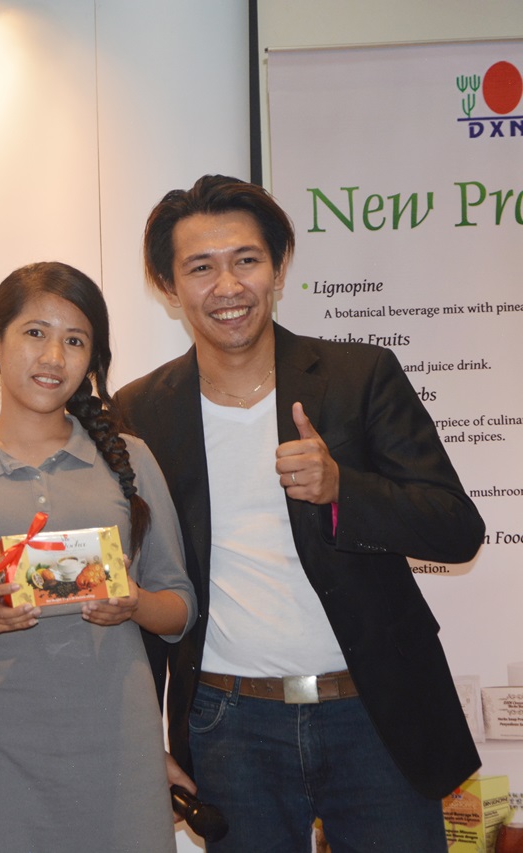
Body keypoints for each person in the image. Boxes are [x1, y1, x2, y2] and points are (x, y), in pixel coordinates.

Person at [114, 174, 484, 852]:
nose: (228, 285)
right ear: (169, 286)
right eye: (201, 267)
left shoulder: (358, 377)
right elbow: (139, 581)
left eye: (246, 260)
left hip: (374, 714)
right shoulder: (141, 410)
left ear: (279, 267)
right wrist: (141, 735)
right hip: (227, 724)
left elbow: (456, 527)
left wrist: (344, 488)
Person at [0, 261, 197, 853]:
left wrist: (134, 602)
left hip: (121, 752)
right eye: (35, 333)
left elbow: (180, 609)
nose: (54, 357)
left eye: (75, 341)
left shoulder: (131, 459)